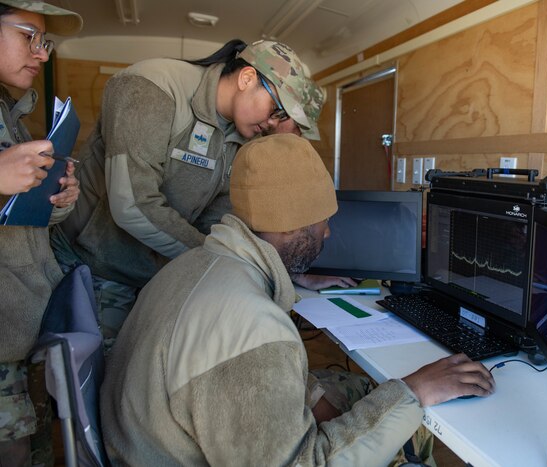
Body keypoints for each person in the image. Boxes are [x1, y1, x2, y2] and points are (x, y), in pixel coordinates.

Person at [100, 133, 495, 465]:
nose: (326, 234)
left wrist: (314, 397)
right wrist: (415, 392)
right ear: (292, 226)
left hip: (152, 441)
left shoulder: (195, 264)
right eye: (323, 220)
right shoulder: (254, 327)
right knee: (403, 421)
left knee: (352, 388)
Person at [51, 39, 353, 347]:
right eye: (276, 110)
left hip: (158, 271)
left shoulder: (242, 133)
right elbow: (132, 204)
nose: (272, 124)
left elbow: (222, 220)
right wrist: (218, 259)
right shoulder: (151, 87)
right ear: (247, 78)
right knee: (102, 378)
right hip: (97, 265)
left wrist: (287, 272)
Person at [0, 1, 82, 465]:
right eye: (28, 35)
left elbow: (14, 219)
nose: (42, 53)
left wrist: (53, 200)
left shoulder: (12, 112)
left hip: (19, 318)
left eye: (44, 41)